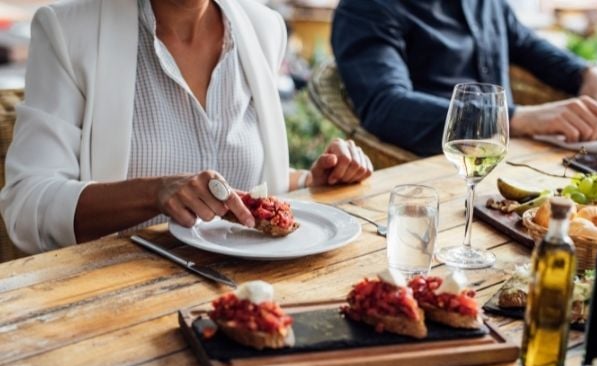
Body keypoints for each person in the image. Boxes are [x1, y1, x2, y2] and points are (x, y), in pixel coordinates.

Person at [0, 0, 372, 254]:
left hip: (242, 297)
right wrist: (154, 194)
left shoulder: (262, 28)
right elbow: (27, 207)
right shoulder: (68, 31)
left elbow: (239, 186)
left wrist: (311, 181)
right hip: (118, 305)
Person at [332, 0, 597, 157]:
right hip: (433, 172)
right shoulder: (366, 8)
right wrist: (515, 119)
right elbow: (386, 106)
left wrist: (590, 72)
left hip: (517, 161)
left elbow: (528, 45)